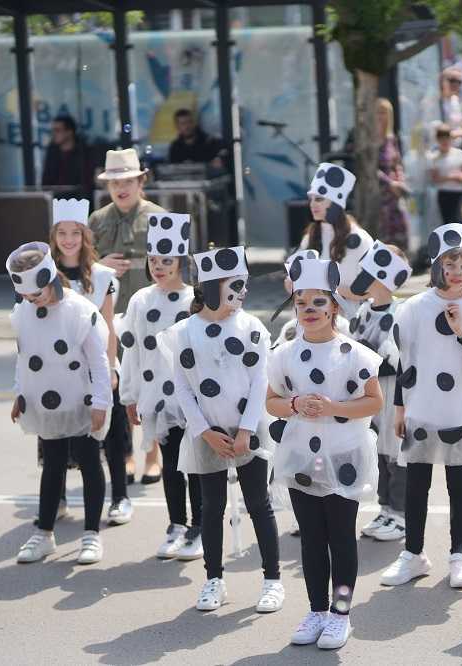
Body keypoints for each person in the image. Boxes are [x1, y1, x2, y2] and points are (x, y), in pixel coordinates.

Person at [267, 255, 383, 650]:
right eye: (302, 303)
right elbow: (271, 402)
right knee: (311, 538)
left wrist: (333, 408)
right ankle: (316, 610)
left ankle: (340, 614)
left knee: (341, 537)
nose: (310, 310)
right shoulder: (282, 354)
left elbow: (374, 403)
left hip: (343, 454)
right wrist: (295, 404)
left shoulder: (354, 353)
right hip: (300, 454)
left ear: (335, 306)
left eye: (319, 302)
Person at [381, 223, 462, 590]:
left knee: (458, 483)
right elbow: (405, 361)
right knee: (417, 483)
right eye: (450, 265)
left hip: (461, 409)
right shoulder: (414, 308)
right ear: (436, 266)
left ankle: (459, 556)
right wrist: (399, 408)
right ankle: (413, 554)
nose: (457, 273)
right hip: (421, 408)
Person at [167, 245, 282, 613]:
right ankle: (214, 580)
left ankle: (272, 580)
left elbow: (259, 379)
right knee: (211, 506)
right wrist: (204, 432)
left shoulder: (252, 328)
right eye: (236, 284)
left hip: (249, 430)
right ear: (213, 287)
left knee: (258, 504)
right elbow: (182, 387)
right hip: (207, 435)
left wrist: (247, 430)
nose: (243, 292)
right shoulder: (183, 332)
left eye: (244, 284)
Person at [7, 242, 112, 565]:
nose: (31, 301)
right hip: (45, 402)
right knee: (52, 465)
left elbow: (99, 360)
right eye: (26, 297)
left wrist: (101, 402)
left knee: (89, 462)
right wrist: (19, 392)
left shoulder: (80, 311)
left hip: (80, 400)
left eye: (36, 295)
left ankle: (92, 534)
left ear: (50, 280)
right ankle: (45, 533)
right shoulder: (24, 312)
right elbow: (24, 357)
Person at [116, 211, 202, 560]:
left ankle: (199, 526)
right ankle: (176, 524)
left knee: (194, 464)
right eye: (153, 260)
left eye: (166, 260)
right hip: (157, 398)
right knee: (169, 463)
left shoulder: (195, 299)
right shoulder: (140, 299)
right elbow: (132, 351)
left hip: (192, 401)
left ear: (180, 260)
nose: (159, 266)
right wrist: (130, 395)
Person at [49, 198, 135, 525]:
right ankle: (55, 497)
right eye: (62, 233)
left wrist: (111, 369)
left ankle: (120, 497)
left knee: (109, 433)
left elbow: (109, 325)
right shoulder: (45, 275)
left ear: (85, 236)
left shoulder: (101, 276)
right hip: (57, 370)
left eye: (75, 233)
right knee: (55, 434)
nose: (68, 240)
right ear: (54, 237)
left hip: (97, 366)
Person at [347, 242, 412, 543]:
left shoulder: (400, 311)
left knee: (397, 451)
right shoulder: (362, 312)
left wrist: (369, 360)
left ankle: (401, 514)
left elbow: (396, 359)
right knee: (377, 449)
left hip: (393, 390)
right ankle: (385, 507)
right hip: (368, 391)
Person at [89, 148, 167, 313]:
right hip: (109, 309)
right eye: (115, 183)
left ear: (140, 182)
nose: (121, 189)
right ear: (107, 186)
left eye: (128, 182)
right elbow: (79, 263)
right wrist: (98, 266)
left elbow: (180, 265)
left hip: (152, 307)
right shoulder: (97, 219)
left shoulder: (160, 217)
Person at [297, 163, 373, 316]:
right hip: (313, 320)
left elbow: (371, 290)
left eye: (318, 199)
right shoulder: (310, 236)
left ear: (336, 203)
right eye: (310, 199)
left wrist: (327, 289)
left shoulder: (359, 238)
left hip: (351, 321)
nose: (312, 204)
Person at [375, 98, 410, 249]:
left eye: (384, 113)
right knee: (383, 232)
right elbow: (367, 168)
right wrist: (390, 183)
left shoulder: (391, 139)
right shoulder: (367, 139)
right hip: (378, 191)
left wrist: (400, 181)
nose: (380, 116)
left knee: (401, 228)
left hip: (395, 193)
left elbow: (397, 163)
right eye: (378, 113)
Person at [41, 115, 95, 198]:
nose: (54, 134)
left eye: (57, 130)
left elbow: (87, 182)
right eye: (52, 131)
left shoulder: (83, 152)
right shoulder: (52, 151)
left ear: (69, 132)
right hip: (54, 200)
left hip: (78, 200)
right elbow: (46, 181)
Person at [429, 125, 462, 224]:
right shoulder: (434, 157)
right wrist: (451, 177)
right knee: (447, 221)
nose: (445, 141)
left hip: (458, 192)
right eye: (442, 138)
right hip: (443, 192)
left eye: (447, 138)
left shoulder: (459, 153)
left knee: (458, 219)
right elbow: (435, 178)